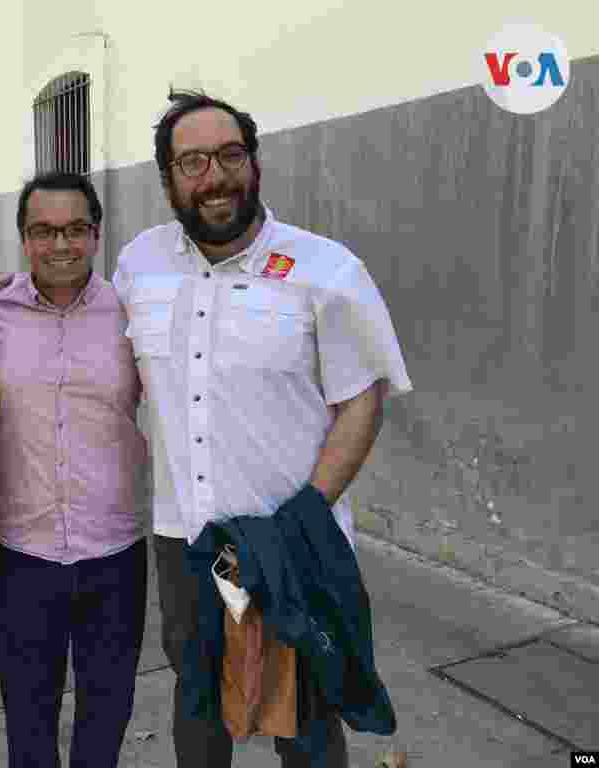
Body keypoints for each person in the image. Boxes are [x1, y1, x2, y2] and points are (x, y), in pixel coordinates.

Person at [107, 91, 412, 768]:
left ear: (255, 165)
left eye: (229, 155)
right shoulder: (138, 267)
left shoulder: (327, 271)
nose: (214, 176)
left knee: (302, 721)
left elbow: (362, 400)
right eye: (193, 162)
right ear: (168, 180)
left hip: (291, 538)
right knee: (199, 712)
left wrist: (306, 513)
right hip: (183, 540)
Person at [0, 172, 148, 768]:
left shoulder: (132, 312)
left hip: (115, 556)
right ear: (23, 238)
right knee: (28, 718)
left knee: (107, 713)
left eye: (75, 230)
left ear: (96, 235)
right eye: (43, 231)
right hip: (24, 558)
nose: (60, 244)